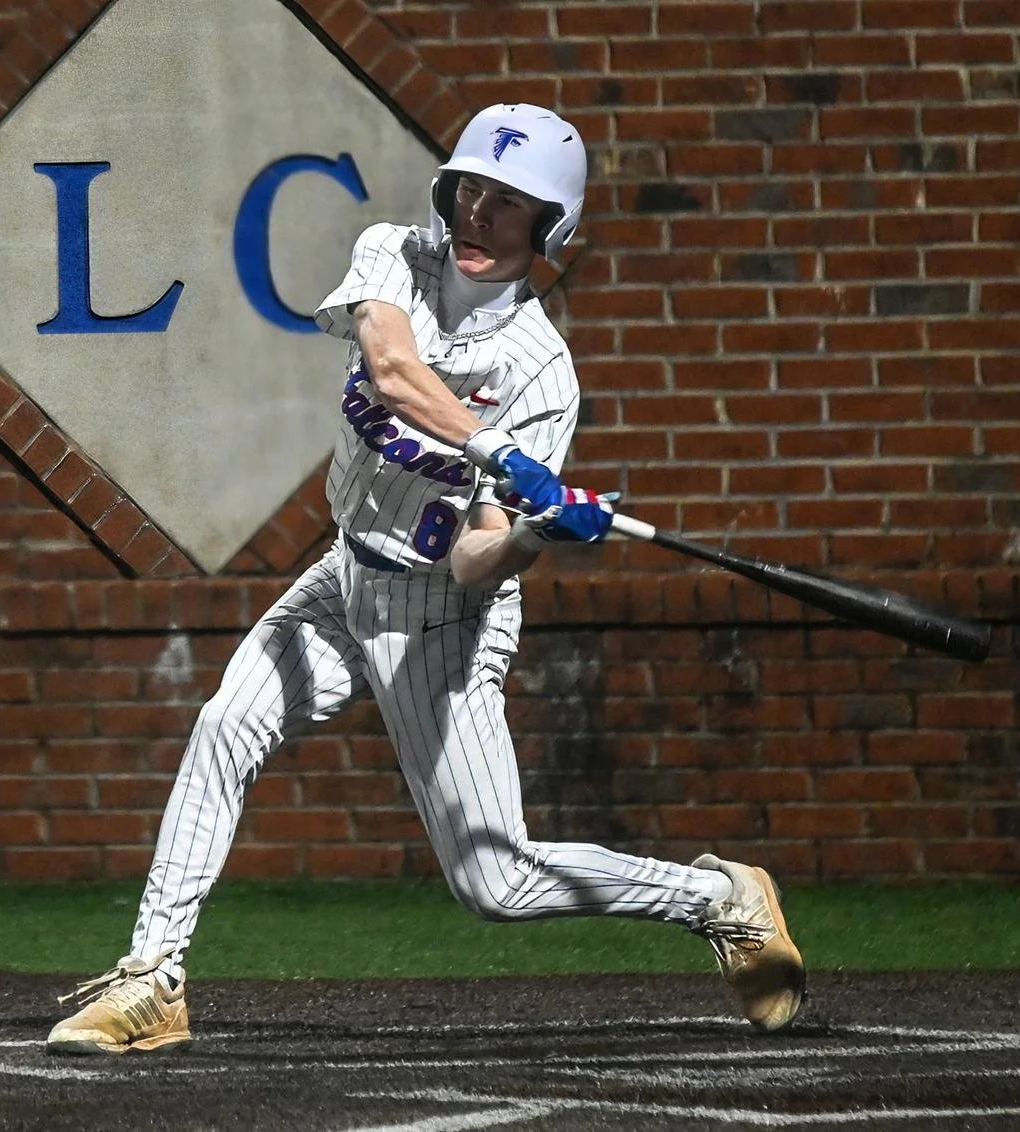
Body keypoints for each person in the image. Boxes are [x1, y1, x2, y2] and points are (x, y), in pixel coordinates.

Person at [46, 104, 805, 1055]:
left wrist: (532, 531)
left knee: (497, 885)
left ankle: (715, 898)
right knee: (223, 727)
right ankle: (152, 980)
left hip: (443, 617)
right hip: (344, 575)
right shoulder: (394, 254)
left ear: (549, 227)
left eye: (508, 202)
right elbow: (392, 368)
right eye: (469, 189)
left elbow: (475, 561)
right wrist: (498, 452)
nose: (478, 213)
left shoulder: (541, 375)